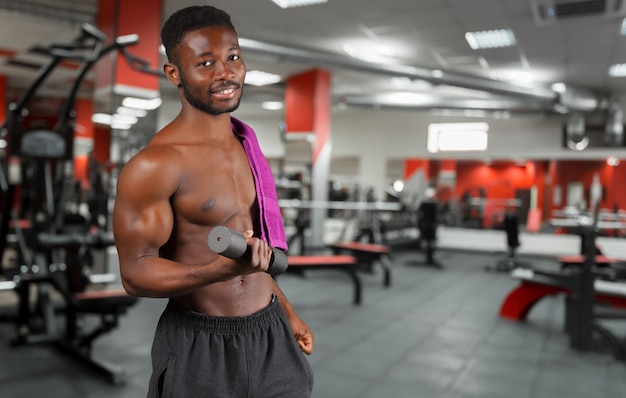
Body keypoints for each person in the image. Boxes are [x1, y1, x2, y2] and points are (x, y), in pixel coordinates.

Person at [112, 5, 314, 397]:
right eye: (205, 63)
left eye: (233, 57)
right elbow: (134, 273)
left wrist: (286, 311)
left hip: (271, 332)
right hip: (198, 342)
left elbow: (257, 252)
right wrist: (213, 272)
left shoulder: (249, 149)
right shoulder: (156, 164)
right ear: (175, 73)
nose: (226, 72)